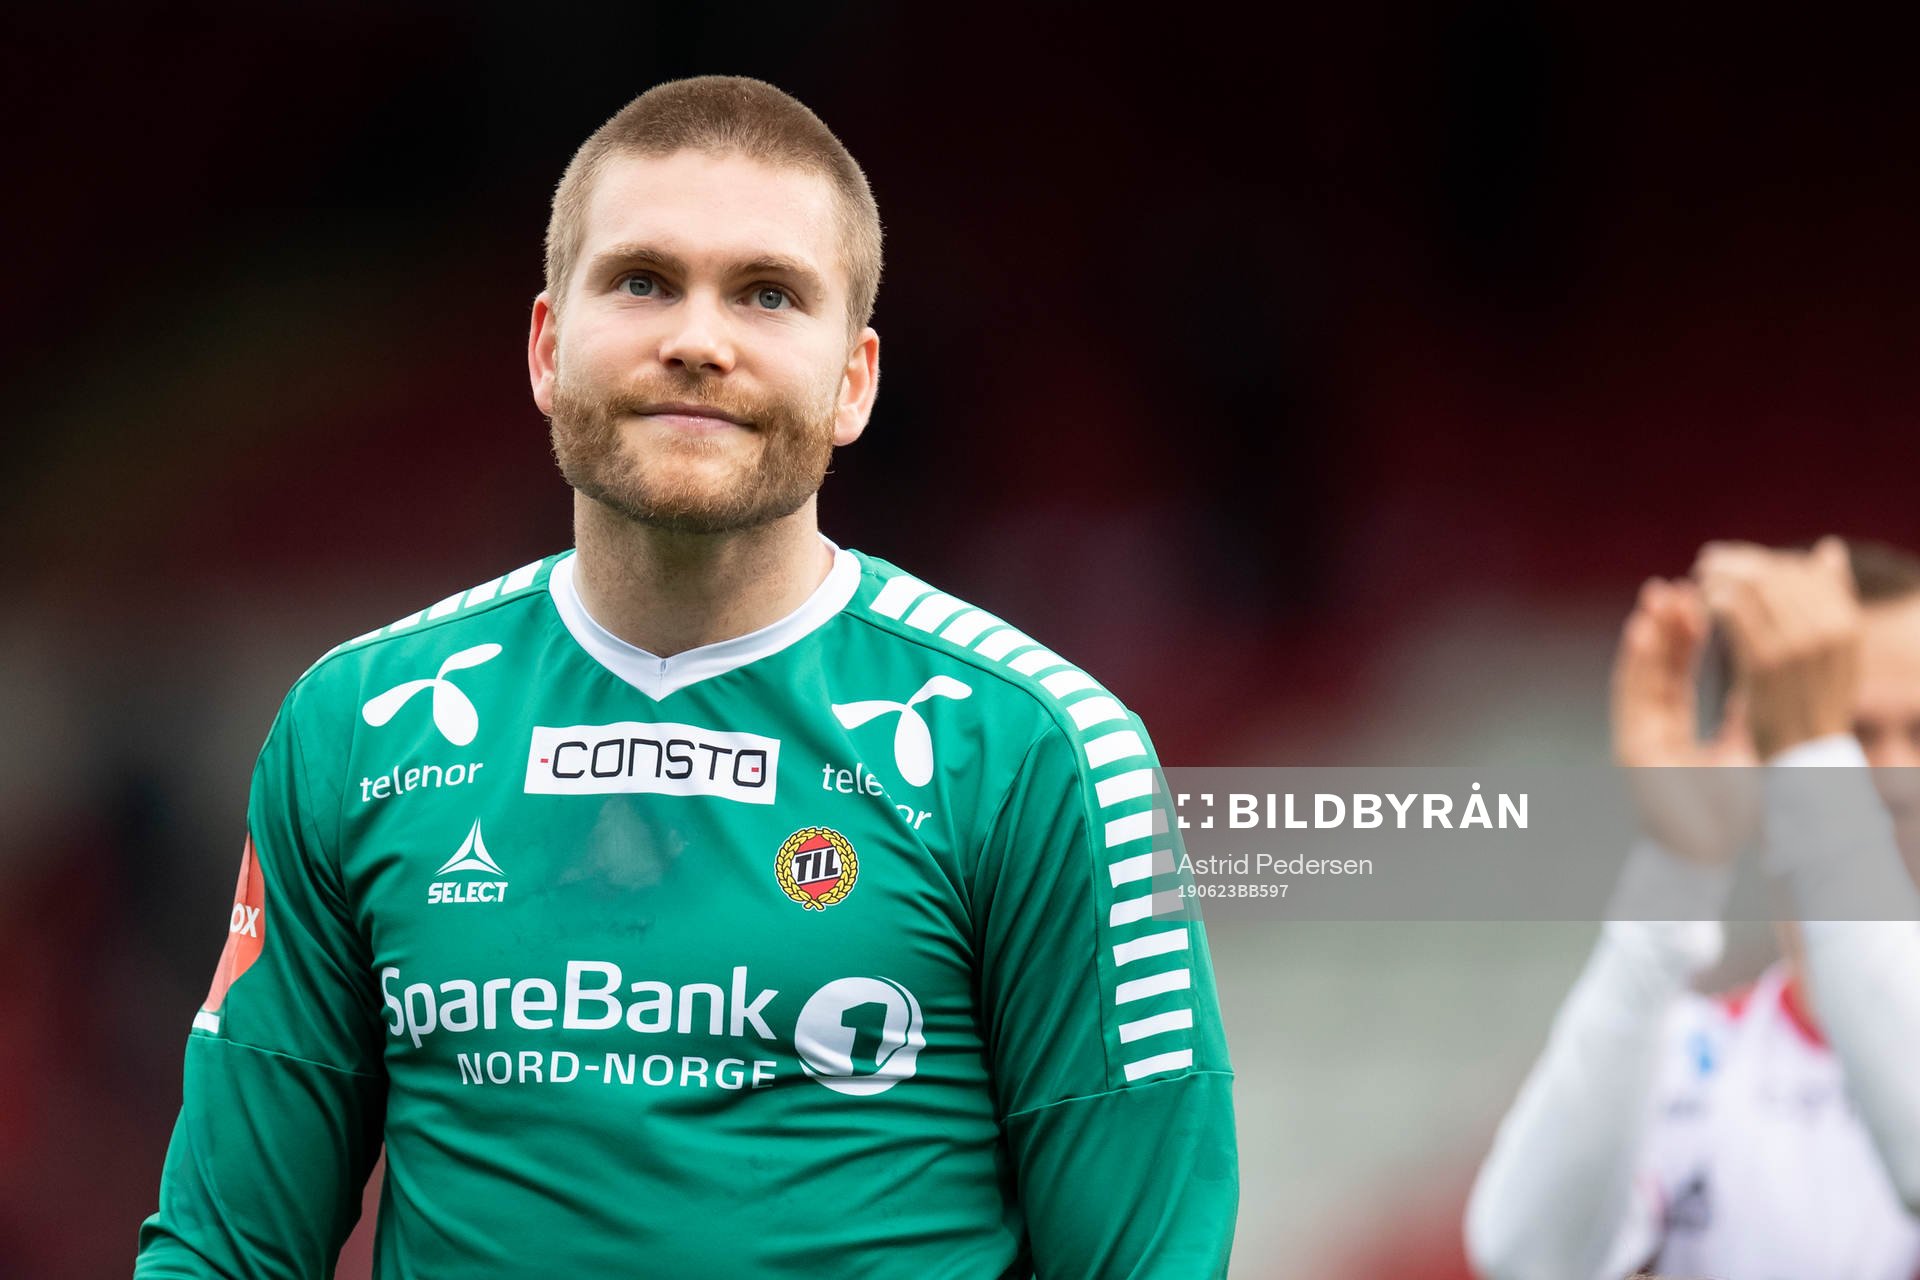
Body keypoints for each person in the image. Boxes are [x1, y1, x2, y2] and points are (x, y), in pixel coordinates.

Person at [133, 75, 1237, 1278]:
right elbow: (223, 1247)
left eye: (767, 293)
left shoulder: (1041, 753)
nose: (697, 339)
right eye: (644, 280)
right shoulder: (356, 724)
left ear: (855, 381)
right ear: (549, 346)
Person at [1464, 537, 1920, 1279]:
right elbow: (1525, 1255)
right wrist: (1679, 869)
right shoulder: (1689, 1065)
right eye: (1851, 734)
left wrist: (1812, 767)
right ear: (1751, 748)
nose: (1900, 777)